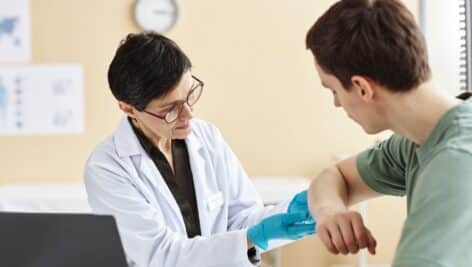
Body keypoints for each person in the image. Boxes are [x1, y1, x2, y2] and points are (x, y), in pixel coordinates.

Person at [84, 32, 315, 267]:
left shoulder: (206, 136)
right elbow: (161, 255)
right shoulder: (107, 168)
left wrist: (285, 215)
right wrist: (254, 236)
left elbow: (242, 220)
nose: (188, 115)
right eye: (170, 110)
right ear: (128, 108)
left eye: (189, 95)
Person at [305, 0, 472, 266]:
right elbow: (335, 175)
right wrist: (331, 211)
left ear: (361, 87)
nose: (336, 103)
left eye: (333, 90)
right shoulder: (418, 140)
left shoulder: (458, 161)